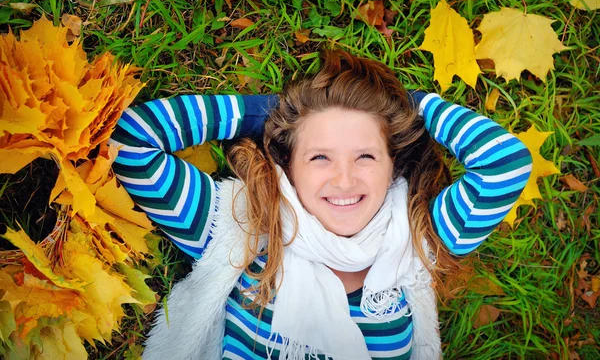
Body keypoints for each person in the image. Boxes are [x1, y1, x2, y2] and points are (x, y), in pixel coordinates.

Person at [109, 50, 532, 360]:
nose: (344, 179)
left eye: (365, 156)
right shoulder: (239, 225)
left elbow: (506, 166)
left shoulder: (417, 243)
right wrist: (262, 114)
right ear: (288, 166)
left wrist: (414, 106)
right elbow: (128, 141)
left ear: (392, 168)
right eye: (319, 157)